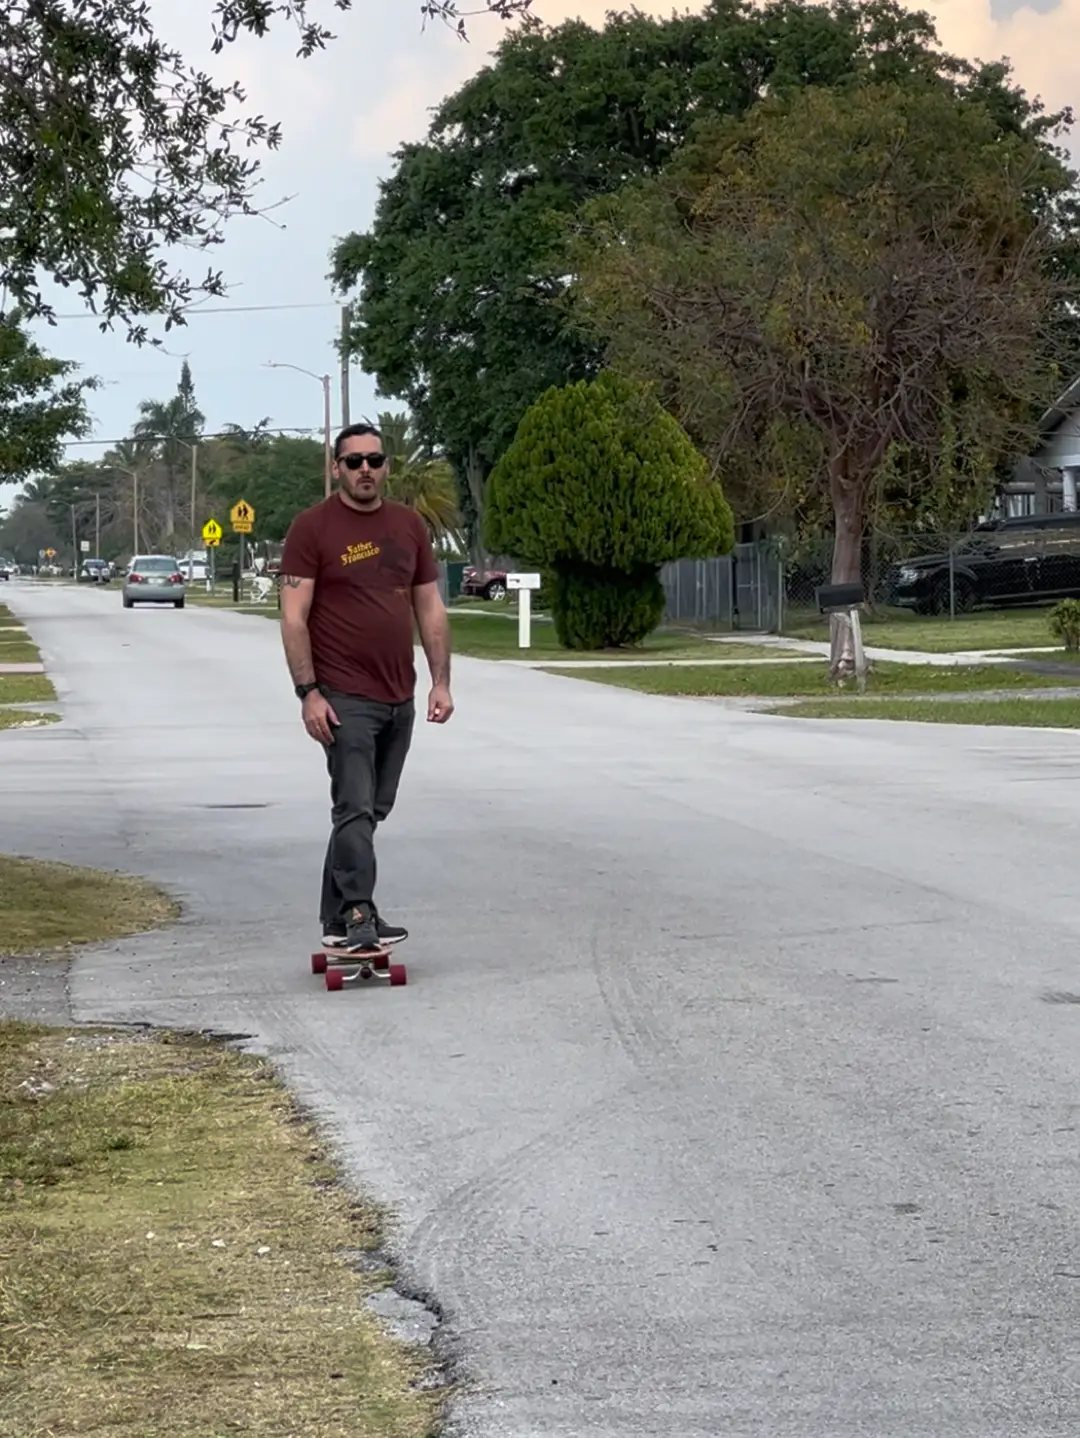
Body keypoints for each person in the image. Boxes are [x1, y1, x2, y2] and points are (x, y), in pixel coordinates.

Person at [278, 422, 454, 953]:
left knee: (372, 809)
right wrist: (309, 692)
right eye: (353, 462)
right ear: (336, 468)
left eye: (374, 461)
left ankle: (334, 916)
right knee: (353, 808)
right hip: (343, 697)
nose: (365, 471)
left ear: (386, 467)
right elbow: (293, 617)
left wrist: (440, 682)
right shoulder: (312, 529)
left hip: (398, 696)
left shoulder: (407, 526)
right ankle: (359, 912)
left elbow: (429, 605)